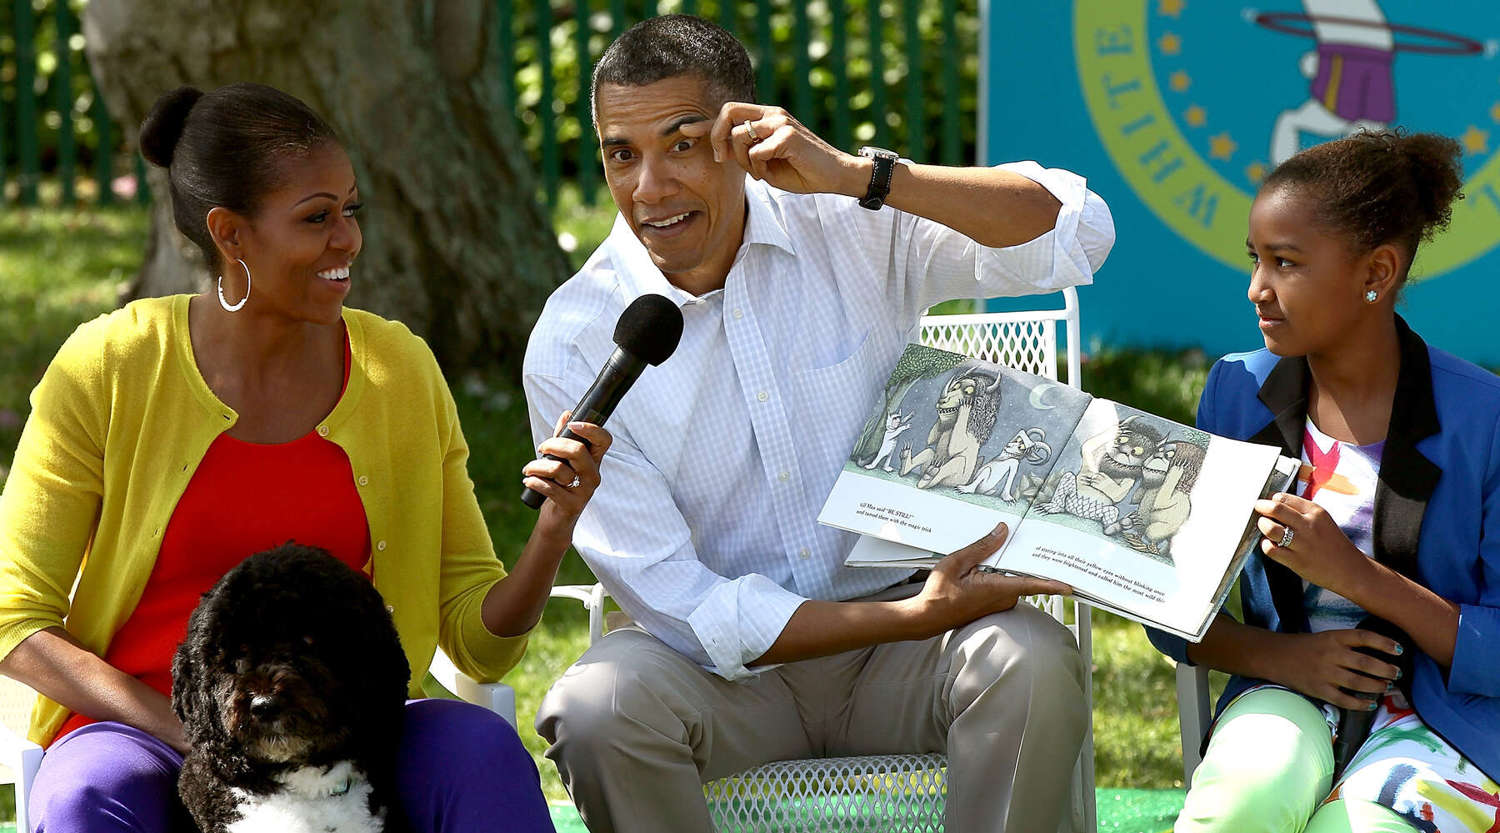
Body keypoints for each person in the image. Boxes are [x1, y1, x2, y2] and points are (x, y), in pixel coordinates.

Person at [522, 15, 1115, 832]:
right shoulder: (574, 336)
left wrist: (862, 176)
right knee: (596, 706)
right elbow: (681, 602)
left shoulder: (846, 214)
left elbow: (1079, 230)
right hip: (723, 674)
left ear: (741, 135)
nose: (647, 187)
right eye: (622, 152)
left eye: (682, 143)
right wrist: (917, 613)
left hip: (906, 651)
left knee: (1034, 662)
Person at [0, 82, 608, 833]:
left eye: (351, 210)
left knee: (480, 750)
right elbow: (13, 617)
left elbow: (477, 642)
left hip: (350, 733)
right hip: (150, 730)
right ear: (231, 235)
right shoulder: (111, 365)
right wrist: (189, 731)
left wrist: (552, 530)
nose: (347, 239)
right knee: (85, 793)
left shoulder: (398, 369)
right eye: (317, 218)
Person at [1148, 130, 1500, 833]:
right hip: (1284, 684)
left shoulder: (1485, 418)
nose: (1257, 289)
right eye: (1256, 260)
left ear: (1377, 269)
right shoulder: (1235, 392)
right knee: (1242, 802)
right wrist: (1286, 657)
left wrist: (1358, 575)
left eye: (1286, 262)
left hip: (1449, 720)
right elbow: (1171, 605)